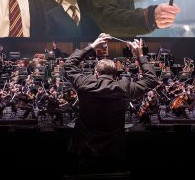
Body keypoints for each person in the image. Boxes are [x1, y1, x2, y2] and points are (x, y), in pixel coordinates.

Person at [64, 33, 157, 174]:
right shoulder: (124, 87)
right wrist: (140, 54)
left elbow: (69, 64)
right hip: (114, 150)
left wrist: (93, 45)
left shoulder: (84, 84)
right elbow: (151, 80)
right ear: (115, 75)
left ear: (96, 73)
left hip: (84, 149)